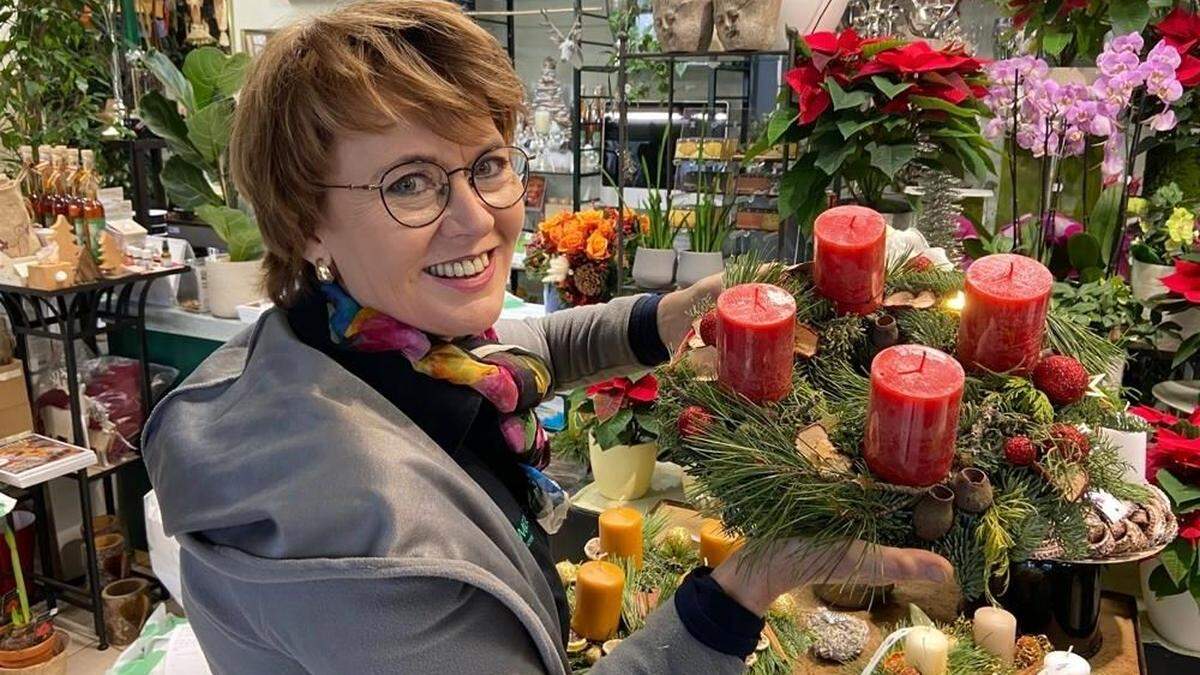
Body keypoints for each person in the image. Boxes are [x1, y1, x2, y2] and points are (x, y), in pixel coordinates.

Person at [143, 2, 952, 673]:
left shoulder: (370, 346)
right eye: (411, 183)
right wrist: (740, 589)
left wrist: (661, 317)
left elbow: (533, 346)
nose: (477, 217)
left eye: (487, 164)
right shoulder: (352, 536)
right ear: (304, 219)